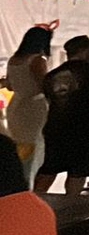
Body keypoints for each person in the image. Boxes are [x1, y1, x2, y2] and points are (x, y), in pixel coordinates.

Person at [34, 36, 89, 196]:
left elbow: (49, 100)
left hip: (55, 127)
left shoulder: (53, 74)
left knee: (49, 169)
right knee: (78, 172)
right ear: (84, 50)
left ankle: (35, 202)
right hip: (85, 128)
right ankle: (72, 203)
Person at [5, 25, 53, 185]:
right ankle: (28, 183)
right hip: (34, 105)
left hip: (16, 104)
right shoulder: (37, 60)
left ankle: (17, 180)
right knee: (34, 147)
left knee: (19, 144)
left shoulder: (14, 60)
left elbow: (10, 85)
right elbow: (44, 85)